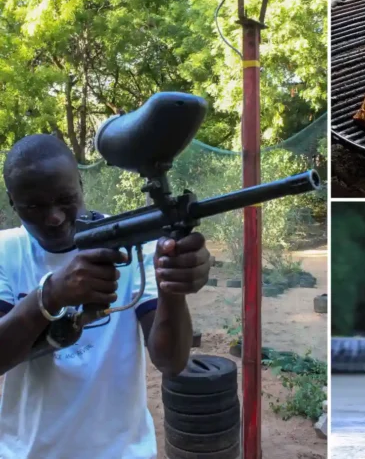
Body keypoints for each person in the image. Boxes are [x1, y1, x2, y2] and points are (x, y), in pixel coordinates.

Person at [0, 134, 212, 459]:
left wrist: (173, 288)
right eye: (34, 206)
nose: (54, 217)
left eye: (65, 199)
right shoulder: (5, 252)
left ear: (80, 185)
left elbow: (171, 361)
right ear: (12, 202)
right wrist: (51, 295)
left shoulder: (130, 246)